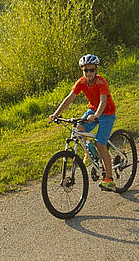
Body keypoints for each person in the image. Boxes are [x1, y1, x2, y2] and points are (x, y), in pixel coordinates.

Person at [50, 53, 120, 190]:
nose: (88, 73)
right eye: (85, 70)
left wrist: (97, 115)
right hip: (93, 111)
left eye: (91, 70)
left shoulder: (101, 82)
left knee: (101, 143)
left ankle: (109, 179)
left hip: (106, 113)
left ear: (96, 69)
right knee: (78, 128)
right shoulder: (81, 82)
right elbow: (69, 98)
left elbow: (103, 100)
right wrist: (56, 114)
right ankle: (90, 151)